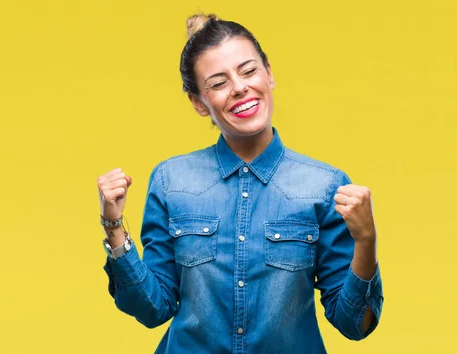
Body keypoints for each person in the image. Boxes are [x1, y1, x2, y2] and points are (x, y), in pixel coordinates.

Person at [97, 13, 383, 354]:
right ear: (199, 103)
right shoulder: (171, 181)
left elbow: (355, 324)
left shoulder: (324, 185)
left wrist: (366, 240)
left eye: (249, 71)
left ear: (269, 73)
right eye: (218, 83)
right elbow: (152, 309)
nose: (239, 88)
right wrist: (114, 227)